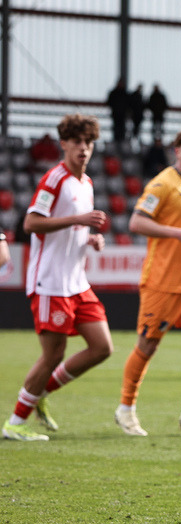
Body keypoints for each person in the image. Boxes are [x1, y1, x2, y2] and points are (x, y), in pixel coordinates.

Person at [3, 114, 112, 442]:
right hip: (50, 282)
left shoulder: (86, 183)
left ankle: (37, 393)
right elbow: (31, 223)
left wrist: (89, 238)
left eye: (88, 142)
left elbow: (73, 229)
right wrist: (78, 219)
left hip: (77, 282)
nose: (83, 148)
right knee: (53, 354)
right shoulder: (55, 179)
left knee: (102, 347)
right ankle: (14, 424)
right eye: (77, 141)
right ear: (63, 143)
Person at [114, 125, 181, 438]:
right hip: (161, 282)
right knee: (147, 347)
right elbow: (136, 221)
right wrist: (177, 234)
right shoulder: (162, 183)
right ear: (178, 150)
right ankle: (125, 409)